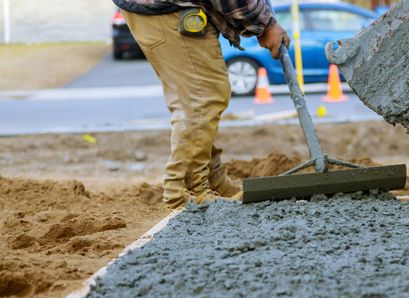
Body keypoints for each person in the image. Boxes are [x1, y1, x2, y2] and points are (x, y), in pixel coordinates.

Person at [112, 0, 290, 209]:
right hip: (168, 11)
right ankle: (186, 192)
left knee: (197, 95)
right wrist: (266, 24)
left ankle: (211, 180)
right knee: (202, 97)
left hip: (162, 8)